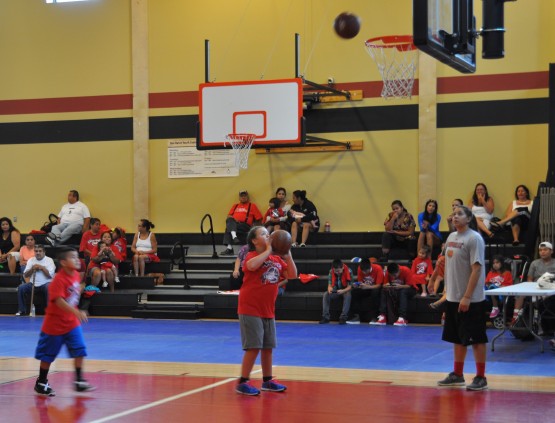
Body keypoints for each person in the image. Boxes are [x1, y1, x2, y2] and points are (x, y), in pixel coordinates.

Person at [235, 226, 297, 396]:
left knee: (268, 346)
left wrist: (288, 254)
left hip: (268, 309)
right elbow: (252, 266)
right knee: (254, 346)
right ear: (254, 241)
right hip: (250, 307)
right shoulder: (252, 255)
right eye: (263, 234)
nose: (267, 235)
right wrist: (269, 250)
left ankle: (267, 380)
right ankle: (243, 381)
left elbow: (292, 275)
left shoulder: (277, 259)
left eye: (268, 233)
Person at [437, 205, 488, 392]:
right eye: (454, 214)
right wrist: (447, 291)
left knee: (476, 339)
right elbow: (450, 267)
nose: (455, 217)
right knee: (457, 337)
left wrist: (466, 296)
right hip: (453, 297)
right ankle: (457, 375)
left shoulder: (474, 238)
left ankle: (481, 377)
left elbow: (477, 269)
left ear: (469, 219)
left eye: (460, 214)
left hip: (471, 299)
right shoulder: (451, 237)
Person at [33, 247, 95, 396]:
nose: (77, 259)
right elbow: (59, 301)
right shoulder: (57, 281)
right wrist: (76, 311)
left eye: (77, 257)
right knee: (48, 355)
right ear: (63, 262)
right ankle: (41, 382)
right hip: (54, 325)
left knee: (80, 350)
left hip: (71, 323)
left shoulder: (75, 275)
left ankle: (79, 380)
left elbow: (72, 294)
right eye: (73, 257)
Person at [512, 241, 555, 323]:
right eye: (540, 250)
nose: (542, 252)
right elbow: (529, 279)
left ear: (551, 251)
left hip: (551, 288)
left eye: (545, 250)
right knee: (520, 294)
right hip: (536, 288)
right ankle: (516, 316)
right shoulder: (534, 263)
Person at [16, 244, 56, 316]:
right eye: (36, 251)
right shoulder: (31, 260)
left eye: (40, 251)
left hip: (46, 283)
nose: (38, 253)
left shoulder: (49, 260)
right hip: (33, 284)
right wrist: (32, 269)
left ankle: (50, 311)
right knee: (21, 288)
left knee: (49, 287)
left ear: (44, 252)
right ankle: (22, 310)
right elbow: (26, 275)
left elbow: (50, 276)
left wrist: (42, 268)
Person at [221, 190, 263, 256]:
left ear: (247, 197)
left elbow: (259, 218)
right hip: (235, 224)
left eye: (245, 196)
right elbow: (229, 215)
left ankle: (230, 248)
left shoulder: (252, 205)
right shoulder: (235, 205)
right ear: (239, 198)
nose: (243, 197)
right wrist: (235, 219)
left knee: (228, 228)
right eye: (241, 196)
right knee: (229, 220)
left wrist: (255, 229)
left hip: (245, 225)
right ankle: (234, 236)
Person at [346, 258, 383, 324]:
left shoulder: (378, 268)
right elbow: (360, 282)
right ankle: (356, 316)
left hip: (374, 288)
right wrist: (357, 285)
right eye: (363, 271)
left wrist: (368, 286)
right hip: (365, 288)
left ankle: (375, 317)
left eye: (366, 271)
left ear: (370, 267)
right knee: (354, 292)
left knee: (375, 292)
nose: (364, 273)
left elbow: (379, 285)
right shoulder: (360, 268)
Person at [319, 259, 353, 325]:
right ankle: (325, 317)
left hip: (345, 290)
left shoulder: (349, 271)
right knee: (326, 294)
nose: (337, 272)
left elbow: (350, 286)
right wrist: (329, 289)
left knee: (348, 294)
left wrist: (343, 291)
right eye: (335, 271)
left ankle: (343, 317)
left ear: (342, 267)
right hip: (336, 290)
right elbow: (329, 284)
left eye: (338, 271)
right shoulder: (331, 271)